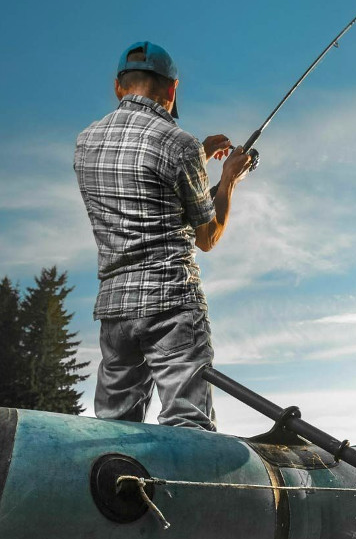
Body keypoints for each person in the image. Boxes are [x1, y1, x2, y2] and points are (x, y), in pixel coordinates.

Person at [74, 40, 251, 431]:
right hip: (170, 302)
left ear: (118, 86)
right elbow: (207, 236)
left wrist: (199, 159)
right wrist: (228, 181)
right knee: (188, 426)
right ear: (172, 89)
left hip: (114, 308)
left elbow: (140, 180)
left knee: (114, 428)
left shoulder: (85, 142)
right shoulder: (179, 143)